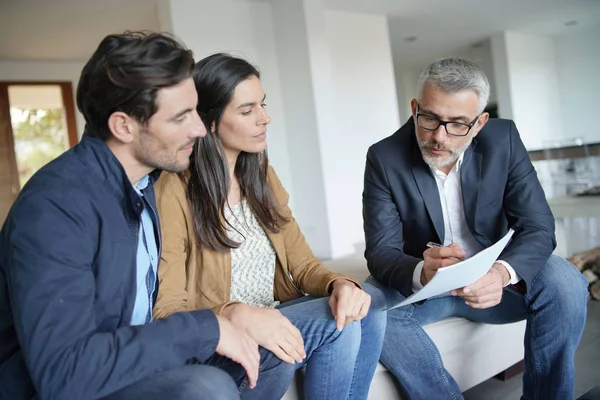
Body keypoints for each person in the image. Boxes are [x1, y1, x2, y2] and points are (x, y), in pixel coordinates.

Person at [0, 32, 260, 400]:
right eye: (182, 117)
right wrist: (202, 328)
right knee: (206, 387)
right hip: (71, 385)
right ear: (124, 126)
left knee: (268, 349)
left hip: (127, 365)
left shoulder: (145, 183)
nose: (200, 130)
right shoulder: (54, 207)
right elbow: (65, 373)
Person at [153, 53, 386, 400]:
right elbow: (166, 309)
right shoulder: (174, 191)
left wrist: (340, 282)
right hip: (219, 340)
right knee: (334, 321)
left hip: (273, 312)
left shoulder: (260, 174)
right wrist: (232, 313)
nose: (265, 118)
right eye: (247, 111)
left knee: (369, 301)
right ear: (210, 121)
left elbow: (304, 265)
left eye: (262, 104)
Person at [363, 57, 589, 400]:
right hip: (427, 287)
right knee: (370, 306)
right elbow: (381, 252)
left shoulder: (504, 140)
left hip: (495, 280)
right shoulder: (384, 157)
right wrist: (422, 270)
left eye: (457, 124)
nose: (439, 136)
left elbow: (538, 226)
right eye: (429, 119)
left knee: (567, 282)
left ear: (480, 122)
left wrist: (500, 274)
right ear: (414, 108)